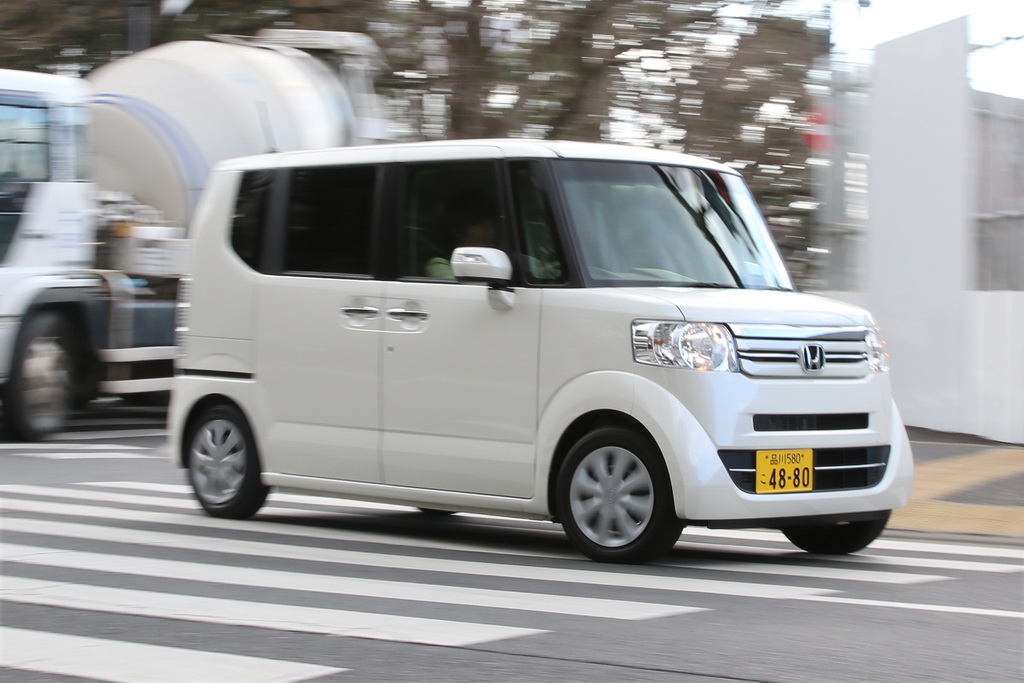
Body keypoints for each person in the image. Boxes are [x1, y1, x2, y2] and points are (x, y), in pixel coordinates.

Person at [425, 191, 499, 279]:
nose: (489, 232)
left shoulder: (492, 262)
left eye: (491, 225)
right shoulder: (438, 265)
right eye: (481, 226)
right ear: (458, 230)